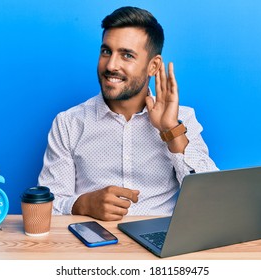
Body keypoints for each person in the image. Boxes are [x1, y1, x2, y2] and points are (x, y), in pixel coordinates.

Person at [38, 6, 218, 221]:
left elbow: (211, 198)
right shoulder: (69, 123)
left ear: (153, 66)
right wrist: (82, 204)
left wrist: (171, 130)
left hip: (161, 244)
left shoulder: (183, 120)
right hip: (90, 245)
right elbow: (44, 207)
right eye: (106, 51)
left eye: (127, 55)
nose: (111, 65)